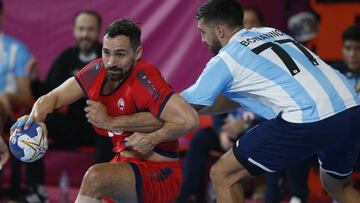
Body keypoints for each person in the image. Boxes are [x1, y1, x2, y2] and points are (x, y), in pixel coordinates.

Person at [179, 1, 360, 203]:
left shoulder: (227, 58)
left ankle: (294, 195)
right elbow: (227, 100)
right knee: (338, 186)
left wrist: (146, 110)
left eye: (203, 32)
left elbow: (179, 106)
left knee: (223, 174)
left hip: (309, 117)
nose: (203, 39)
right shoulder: (272, 32)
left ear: (219, 31)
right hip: (351, 108)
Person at [11, 19, 198, 203]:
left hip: (159, 172)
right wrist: (36, 120)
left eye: (120, 54)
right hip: (123, 165)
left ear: (137, 53)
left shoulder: (145, 78)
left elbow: (188, 120)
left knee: (94, 178)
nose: (111, 62)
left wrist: (115, 124)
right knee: (96, 181)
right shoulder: (96, 70)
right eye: (106, 52)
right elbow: (52, 98)